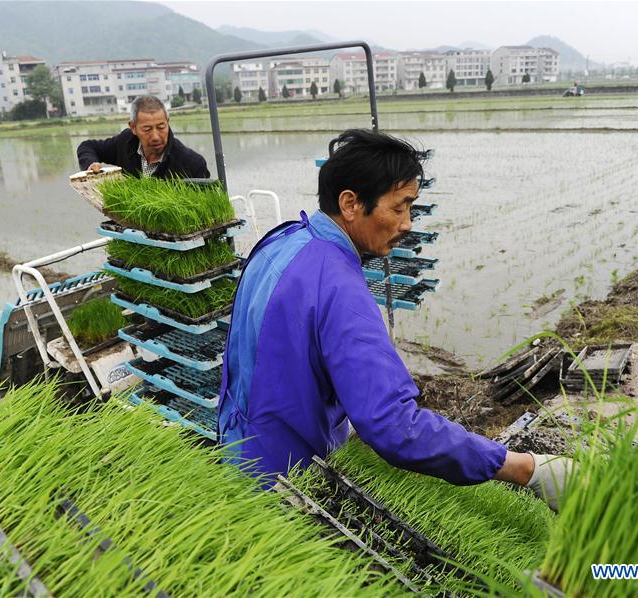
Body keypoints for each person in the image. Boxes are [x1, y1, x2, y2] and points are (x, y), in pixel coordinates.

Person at [218, 129, 572, 511]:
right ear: (351, 204)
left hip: (237, 452)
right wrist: (523, 468)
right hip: (284, 485)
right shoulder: (340, 289)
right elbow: (393, 425)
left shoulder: (282, 240)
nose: (407, 224)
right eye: (399, 207)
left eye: (411, 208)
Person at [77, 95, 209, 179]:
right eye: (147, 129)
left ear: (168, 122)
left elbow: (207, 208)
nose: (156, 136)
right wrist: (90, 164)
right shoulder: (125, 142)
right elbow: (88, 146)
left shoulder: (193, 163)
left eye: (161, 127)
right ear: (133, 127)